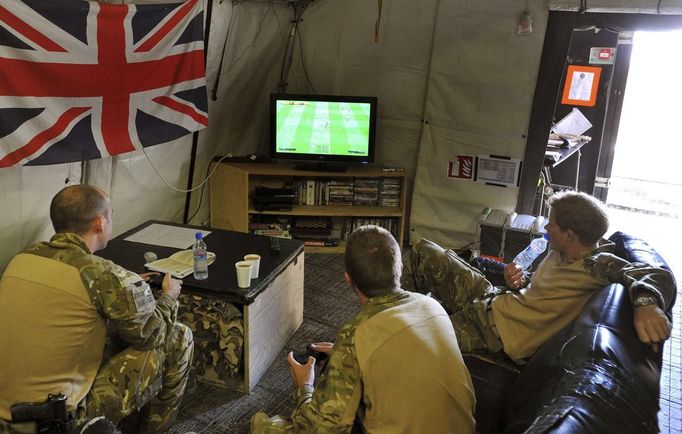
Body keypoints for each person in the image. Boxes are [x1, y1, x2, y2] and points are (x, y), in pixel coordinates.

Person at [0, 185, 194, 433]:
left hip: (8, 414)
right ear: (100, 223)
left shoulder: (23, 257)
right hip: (56, 420)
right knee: (178, 336)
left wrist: (125, 284)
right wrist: (168, 296)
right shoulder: (106, 274)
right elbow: (151, 334)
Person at [402, 190, 674, 363]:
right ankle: (393, 309)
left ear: (569, 234)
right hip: (495, 299)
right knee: (425, 251)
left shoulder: (596, 263)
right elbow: (546, 289)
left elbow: (655, 274)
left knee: (407, 340)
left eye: (551, 223)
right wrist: (521, 279)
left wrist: (646, 304)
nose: (546, 226)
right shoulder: (560, 250)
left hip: (494, 332)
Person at [251, 225, 476, 433]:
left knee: (265, 425)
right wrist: (347, 354)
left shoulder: (355, 335)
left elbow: (319, 430)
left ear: (347, 279)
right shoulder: (431, 306)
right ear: (400, 267)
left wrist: (304, 387)